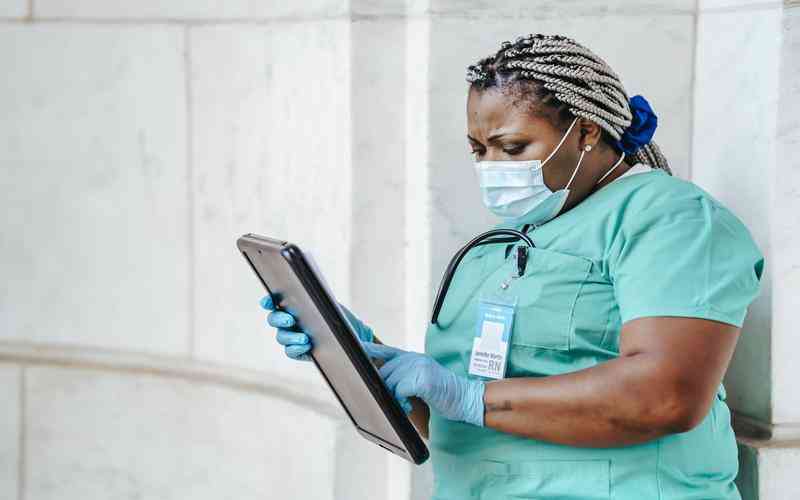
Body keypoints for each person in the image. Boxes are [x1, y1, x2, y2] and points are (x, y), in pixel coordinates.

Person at [260, 34, 764, 499]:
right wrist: (371, 364)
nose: (493, 167)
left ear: (586, 131)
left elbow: (665, 396)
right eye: (479, 150)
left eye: (513, 147)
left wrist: (462, 394)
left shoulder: (671, 217)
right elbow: (468, 414)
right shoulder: (514, 236)